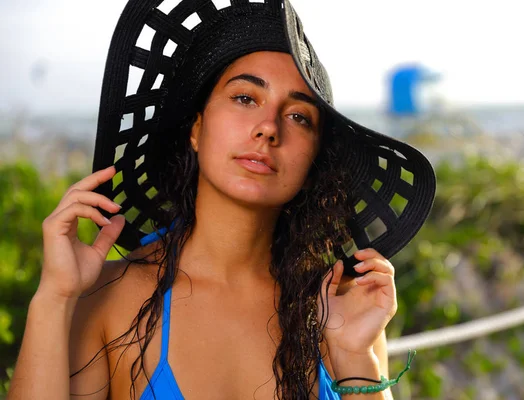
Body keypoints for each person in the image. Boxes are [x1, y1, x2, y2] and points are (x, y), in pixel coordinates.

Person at [8, 0, 435, 399]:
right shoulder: (111, 297)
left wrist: (354, 356)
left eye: (298, 116)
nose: (268, 128)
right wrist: (54, 298)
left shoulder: (338, 306)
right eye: (245, 98)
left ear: (313, 161)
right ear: (196, 128)